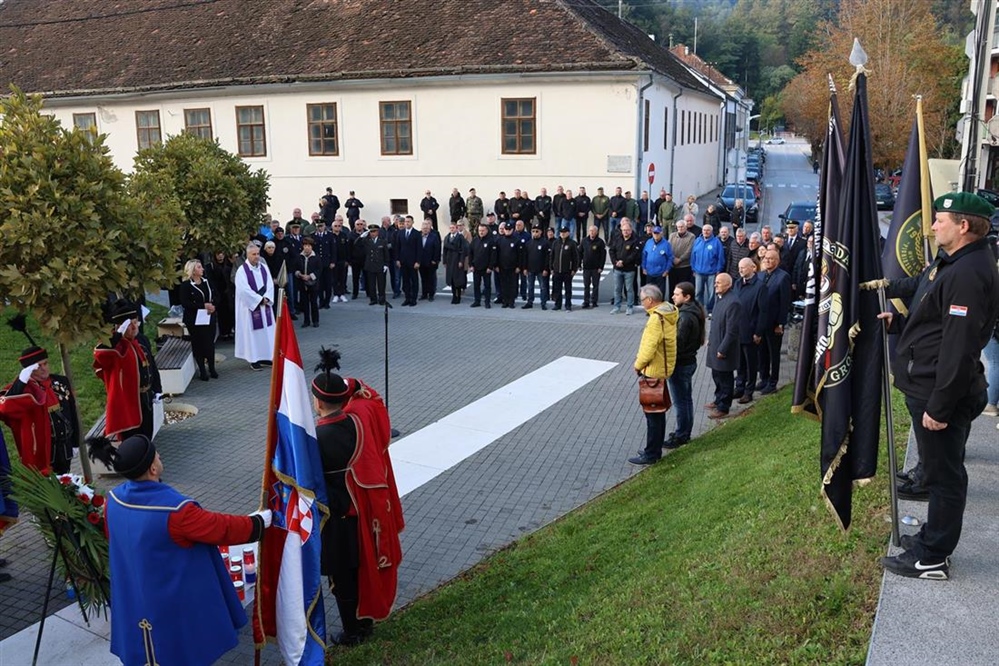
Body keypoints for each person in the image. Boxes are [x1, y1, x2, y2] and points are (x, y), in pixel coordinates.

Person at [875, 192, 999, 581]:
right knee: (937, 471)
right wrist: (899, 325)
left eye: (939, 219)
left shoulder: (968, 272)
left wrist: (940, 407)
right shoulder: (953, 262)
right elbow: (934, 315)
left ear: (963, 226)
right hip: (930, 382)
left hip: (941, 391)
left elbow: (959, 346)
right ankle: (931, 538)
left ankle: (932, 558)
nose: (931, 226)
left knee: (945, 479)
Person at [90, 434, 271, 665]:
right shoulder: (176, 511)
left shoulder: (113, 500)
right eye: (157, 454)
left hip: (135, 593)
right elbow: (220, 528)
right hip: (171, 600)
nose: (160, 456)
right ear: (153, 469)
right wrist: (258, 523)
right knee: (178, 652)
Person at [310, 350, 403, 645]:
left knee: (342, 580)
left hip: (337, 518)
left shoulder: (318, 438)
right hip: (360, 511)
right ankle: (365, 624)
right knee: (361, 571)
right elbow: (366, 396)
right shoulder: (357, 420)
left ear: (318, 402)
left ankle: (353, 632)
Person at [1, 342, 80, 474]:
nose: (44, 369)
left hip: (65, 445)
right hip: (43, 451)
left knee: (67, 480)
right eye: (39, 366)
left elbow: (72, 412)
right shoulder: (23, 389)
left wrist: (75, 442)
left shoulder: (61, 381)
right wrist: (21, 381)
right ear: (29, 370)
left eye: (45, 363)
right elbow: (5, 408)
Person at [628, 284, 678, 465]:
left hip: (653, 371)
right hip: (663, 369)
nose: (642, 303)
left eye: (642, 300)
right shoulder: (669, 312)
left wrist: (638, 365)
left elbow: (649, 347)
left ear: (650, 300)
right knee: (658, 413)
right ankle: (654, 449)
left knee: (653, 414)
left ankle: (652, 453)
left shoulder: (656, 319)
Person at [94, 300, 157, 438]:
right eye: (130, 325)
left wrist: (157, 389)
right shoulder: (116, 345)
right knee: (132, 441)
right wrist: (118, 336)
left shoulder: (140, 341)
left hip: (145, 398)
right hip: (129, 403)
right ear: (120, 327)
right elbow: (101, 354)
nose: (135, 327)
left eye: (136, 322)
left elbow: (151, 365)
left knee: (147, 437)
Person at [665, 282, 705, 449]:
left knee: (681, 401)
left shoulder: (685, 316)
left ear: (687, 297)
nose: (673, 297)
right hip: (689, 361)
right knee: (686, 399)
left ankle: (682, 435)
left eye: (677, 294)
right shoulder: (694, 310)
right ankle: (684, 432)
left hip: (681, 364)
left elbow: (678, 342)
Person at [234, 243, 276, 371]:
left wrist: (267, 298)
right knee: (252, 333)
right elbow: (243, 290)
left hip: (265, 307)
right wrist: (258, 300)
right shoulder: (242, 271)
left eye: (258, 254)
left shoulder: (263, 267)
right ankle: (253, 359)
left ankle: (266, 356)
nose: (256, 257)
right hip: (250, 309)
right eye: (254, 254)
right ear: (247, 255)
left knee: (266, 332)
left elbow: (270, 284)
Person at [705, 273, 741, 419]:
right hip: (715, 344)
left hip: (724, 348)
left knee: (725, 378)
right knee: (716, 374)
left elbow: (732, 331)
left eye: (719, 283)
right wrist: (710, 339)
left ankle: (723, 407)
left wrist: (723, 349)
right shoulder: (719, 299)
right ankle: (718, 398)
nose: (715, 285)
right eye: (715, 282)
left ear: (728, 285)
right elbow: (715, 322)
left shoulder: (733, 302)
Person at [733, 258, 767, 404]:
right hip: (738, 331)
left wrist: (758, 332)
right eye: (739, 267)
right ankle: (739, 387)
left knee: (751, 363)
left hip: (751, 331)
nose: (741, 270)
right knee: (739, 362)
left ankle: (749, 391)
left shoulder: (760, 286)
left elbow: (763, 311)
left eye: (743, 268)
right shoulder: (737, 283)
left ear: (753, 268)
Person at [757, 248, 791, 395]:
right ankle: (763, 378)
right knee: (762, 352)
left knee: (773, 353)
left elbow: (785, 303)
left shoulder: (783, 277)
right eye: (765, 258)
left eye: (770, 259)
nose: (767, 261)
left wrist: (780, 323)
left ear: (777, 261)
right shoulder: (760, 275)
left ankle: (773, 382)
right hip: (761, 323)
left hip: (774, 323)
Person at [180, 259, 218, 381]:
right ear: (192, 271)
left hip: (209, 317)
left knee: (209, 343)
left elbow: (216, 295)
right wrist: (202, 306)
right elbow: (185, 303)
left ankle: (212, 368)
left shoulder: (207, 282)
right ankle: (202, 370)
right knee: (198, 344)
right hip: (194, 319)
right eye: (199, 267)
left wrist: (213, 306)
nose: (202, 269)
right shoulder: (186, 285)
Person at [690, 224, 726, 314]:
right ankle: (699, 310)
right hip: (698, 272)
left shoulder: (716, 242)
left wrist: (718, 270)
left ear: (711, 231)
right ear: (702, 231)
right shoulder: (697, 241)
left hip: (712, 273)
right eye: (704, 230)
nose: (706, 232)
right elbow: (693, 256)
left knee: (711, 293)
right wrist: (693, 268)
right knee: (698, 292)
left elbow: (720, 257)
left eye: (708, 230)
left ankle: (710, 310)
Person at [609, 219, 642, 315]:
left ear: (631, 231)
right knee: (617, 289)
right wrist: (615, 262)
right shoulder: (617, 239)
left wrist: (623, 262)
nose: (625, 232)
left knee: (629, 289)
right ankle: (616, 307)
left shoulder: (635, 241)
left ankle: (629, 307)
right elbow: (611, 251)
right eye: (624, 230)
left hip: (629, 270)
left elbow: (633, 255)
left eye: (627, 230)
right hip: (617, 269)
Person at [295, 236, 323, 328]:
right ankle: (306, 320)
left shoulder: (316, 257)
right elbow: (296, 268)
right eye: (305, 245)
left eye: (309, 246)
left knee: (314, 302)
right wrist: (299, 274)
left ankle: (315, 320)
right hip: (302, 284)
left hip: (313, 284)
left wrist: (310, 276)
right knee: (305, 303)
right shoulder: (299, 257)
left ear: (312, 247)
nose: (307, 247)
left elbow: (319, 270)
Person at [550, 226, 579, 311]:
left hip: (567, 271)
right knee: (557, 289)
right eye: (561, 232)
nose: (562, 233)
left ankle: (568, 305)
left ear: (568, 233)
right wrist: (551, 268)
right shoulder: (556, 243)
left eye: (564, 232)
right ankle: (557, 305)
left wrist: (574, 269)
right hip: (557, 270)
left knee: (568, 289)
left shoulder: (572, 243)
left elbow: (575, 258)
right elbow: (552, 256)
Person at [361, 223, 390, 306]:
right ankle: (373, 299)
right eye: (371, 232)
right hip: (370, 265)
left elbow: (386, 254)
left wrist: (386, 264)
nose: (372, 233)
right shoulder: (366, 241)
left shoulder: (382, 241)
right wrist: (363, 236)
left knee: (381, 284)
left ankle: (382, 299)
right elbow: (357, 244)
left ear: (378, 232)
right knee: (371, 284)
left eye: (374, 231)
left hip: (380, 265)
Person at [522, 225, 551, 310]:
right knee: (530, 286)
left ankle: (543, 303)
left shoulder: (545, 243)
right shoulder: (528, 243)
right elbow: (525, 257)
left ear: (541, 232)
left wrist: (546, 269)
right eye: (533, 231)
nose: (535, 233)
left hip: (541, 270)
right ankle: (530, 302)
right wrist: (524, 268)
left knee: (543, 287)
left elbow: (547, 257)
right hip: (530, 269)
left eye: (537, 231)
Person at [468, 223, 496, 308]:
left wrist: (490, 267)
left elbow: (493, 256)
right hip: (476, 267)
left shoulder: (491, 241)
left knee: (487, 286)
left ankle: (487, 302)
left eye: (483, 230)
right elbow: (470, 253)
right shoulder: (475, 240)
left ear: (487, 231)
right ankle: (477, 301)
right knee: (476, 285)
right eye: (480, 230)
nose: (481, 232)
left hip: (486, 268)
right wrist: (471, 265)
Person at [579, 224, 607, 309]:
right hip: (586, 267)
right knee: (586, 285)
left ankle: (594, 301)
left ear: (597, 232)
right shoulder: (584, 241)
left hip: (596, 268)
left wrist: (601, 267)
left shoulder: (600, 242)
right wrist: (579, 264)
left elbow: (603, 255)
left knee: (595, 285)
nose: (592, 232)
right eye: (590, 231)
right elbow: (580, 253)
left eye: (593, 231)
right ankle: (586, 301)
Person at [641, 225, 673, 296]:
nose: (656, 235)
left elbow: (670, 258)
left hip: (660, 273)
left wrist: (667, 270)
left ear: (661, 234)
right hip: (649, 272)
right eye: (654, 233)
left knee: (660, 293)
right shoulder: (648, 242)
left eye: (657, 233)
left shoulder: (666, 244)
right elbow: (644, 255)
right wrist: (643, 268)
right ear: (652, 233)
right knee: (649, 293)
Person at [443, 222, 470, 304]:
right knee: (451, 280)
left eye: (453, 228)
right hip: (450, 261)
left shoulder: (460, 237)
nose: (452, 229)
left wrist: (461, 261)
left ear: (456, 228)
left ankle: (458, 296)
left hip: (457, 260)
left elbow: (463, 250)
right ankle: (454, 296)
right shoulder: (447, 237)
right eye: (450, 228)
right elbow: (444, 250)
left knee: (457, 280)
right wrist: (444, 261)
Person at [668, 218, 695, 294]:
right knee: (672, 287)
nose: (680, 228)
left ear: (686, 227)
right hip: (673, 266)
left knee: (683, 288)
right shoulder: (672, 236)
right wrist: (673, 258)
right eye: (679, 227)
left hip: (685, 266)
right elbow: (668, 248)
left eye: (682, 226)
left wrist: (680, 259)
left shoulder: (691, 236)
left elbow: (689, 250)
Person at [417, 218, 442, 301]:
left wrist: (435, 260)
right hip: (421, 261)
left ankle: (431, 294)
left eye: (426, 228)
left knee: (431, 279)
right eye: (423, 228)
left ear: (429, 228)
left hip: (431, 262)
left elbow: (437, 249)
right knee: (423, 279)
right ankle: (424, 294)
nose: (425, 229)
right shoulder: (418, 235)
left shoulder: (434, 236)